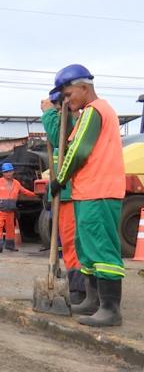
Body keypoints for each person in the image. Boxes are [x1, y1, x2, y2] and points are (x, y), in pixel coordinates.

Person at [50, 64, 125, 327]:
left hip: (99, 191)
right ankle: (93, 301)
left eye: (69, 94)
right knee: (87, 248)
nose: (67, 100)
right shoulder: (87, 114)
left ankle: (110, 308)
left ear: (84, 87)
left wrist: (60, 178)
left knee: (102, 248)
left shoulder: (95, 111)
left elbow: (79, 150)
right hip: (88, 192)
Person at [41, 91, 85, 303]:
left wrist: (48, 114)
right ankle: (76, 283)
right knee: (67, 242)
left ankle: (79, 288)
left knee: (72, 242)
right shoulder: (68, 119)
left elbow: (57, 135)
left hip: (70, 192)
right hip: (63, 190)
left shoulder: (71, 120)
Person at [0, 163, 37, 253]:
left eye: (10, 171)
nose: (8, 173)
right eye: (6, 172)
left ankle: (10, 246)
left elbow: (25, 191)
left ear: (13, 171)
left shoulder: (16, 184)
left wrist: (36, 194)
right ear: (3, 173)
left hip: (10, 211)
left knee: (10, 229)